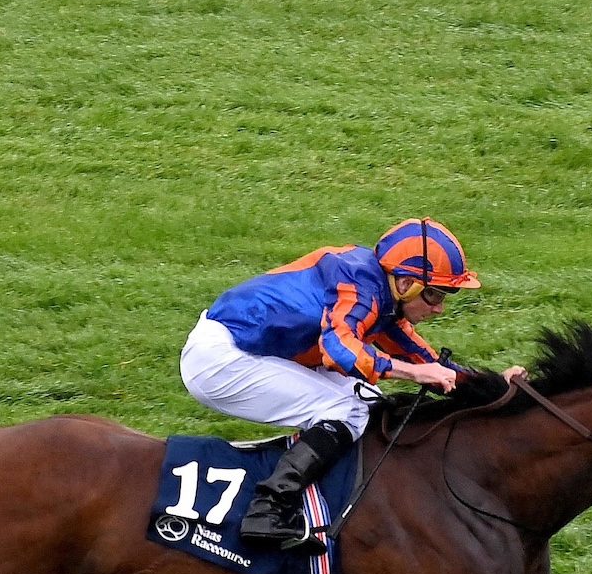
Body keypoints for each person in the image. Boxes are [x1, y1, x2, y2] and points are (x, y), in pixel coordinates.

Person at [181, 217, 516, 550]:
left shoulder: (381, 295)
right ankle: (267, 511)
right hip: (221, 359)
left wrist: (493, 387)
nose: (439, 308)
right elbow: (339, 350)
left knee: (369, 402)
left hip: (252, 349)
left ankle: (325, 497)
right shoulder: (359, 287)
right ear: (404, 284)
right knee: (346, 409)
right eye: (433, 295)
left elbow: (425, 361)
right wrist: (413, 374)